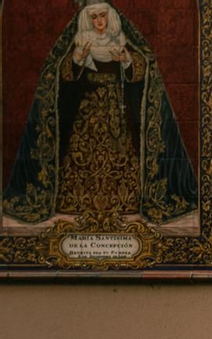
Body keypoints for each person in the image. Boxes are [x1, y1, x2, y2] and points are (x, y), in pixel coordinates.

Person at [3, 2, 198, 225]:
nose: (99, 22)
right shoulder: (79, 40)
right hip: (86, 111)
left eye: (102, 16)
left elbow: (144, 66)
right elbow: (59, 74)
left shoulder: (121, 39)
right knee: (80, 155)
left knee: (121, 152)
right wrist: (76, 60)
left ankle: (124, 202)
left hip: (117, 108)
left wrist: (127, 61)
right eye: (94, 17)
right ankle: (78, 203)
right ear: (87, 19)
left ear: (110, 17)